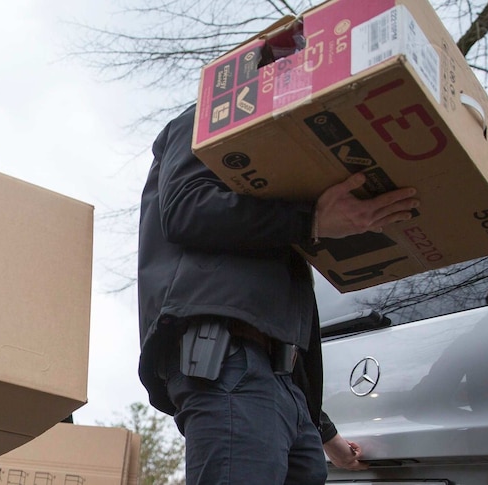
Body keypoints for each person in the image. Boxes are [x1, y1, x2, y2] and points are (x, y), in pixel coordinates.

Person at [137, 104, 418, 484]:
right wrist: (312, 220)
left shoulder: (281, 205)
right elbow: (185, 209)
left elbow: (279, 318)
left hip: (284, 388)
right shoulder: (211, 114)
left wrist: (325, 432)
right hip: (228, 363)